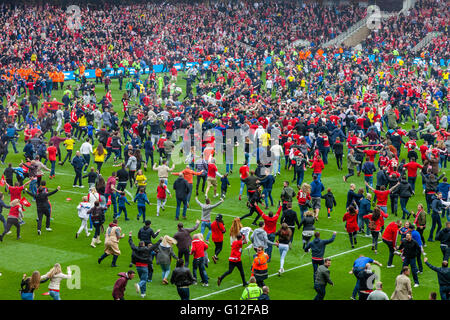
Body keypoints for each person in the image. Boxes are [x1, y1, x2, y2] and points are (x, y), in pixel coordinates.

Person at [128, 231, 161, 298]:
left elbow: (131, 244)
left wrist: (130, 236)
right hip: (144, 267)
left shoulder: (136, 249)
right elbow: (154, 245)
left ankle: (143, 294)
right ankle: (138, 285)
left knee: (142, 280)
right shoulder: (147, 249)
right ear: (143, 244)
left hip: (137, 267)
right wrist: (160, 240)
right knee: (144, 280)